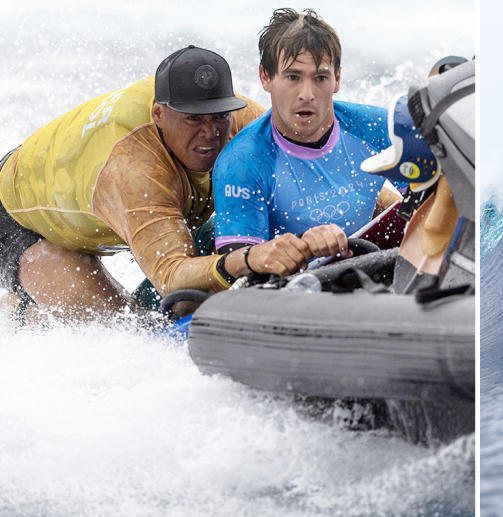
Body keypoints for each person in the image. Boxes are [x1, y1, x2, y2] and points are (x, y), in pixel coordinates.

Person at [0, 45, 282, 323]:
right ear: (159, 115)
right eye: (193, 119)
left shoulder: (245, 122)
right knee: (128, 324)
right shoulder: (135, 170)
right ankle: (21, 312)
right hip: (17, 217)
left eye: (219, 115)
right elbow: (172, 278)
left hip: (82, 188)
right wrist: (244, 261)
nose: (210, 132)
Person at [212, 9, 399, 269]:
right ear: (266, 77)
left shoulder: (377, 127)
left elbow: (437, 200)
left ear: (337, 79)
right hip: (293, 292)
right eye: (293, 77)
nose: (307, 94)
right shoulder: (242, 161)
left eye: (320, 77)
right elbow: (240, 274)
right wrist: (301, 245)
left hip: (376, 271)